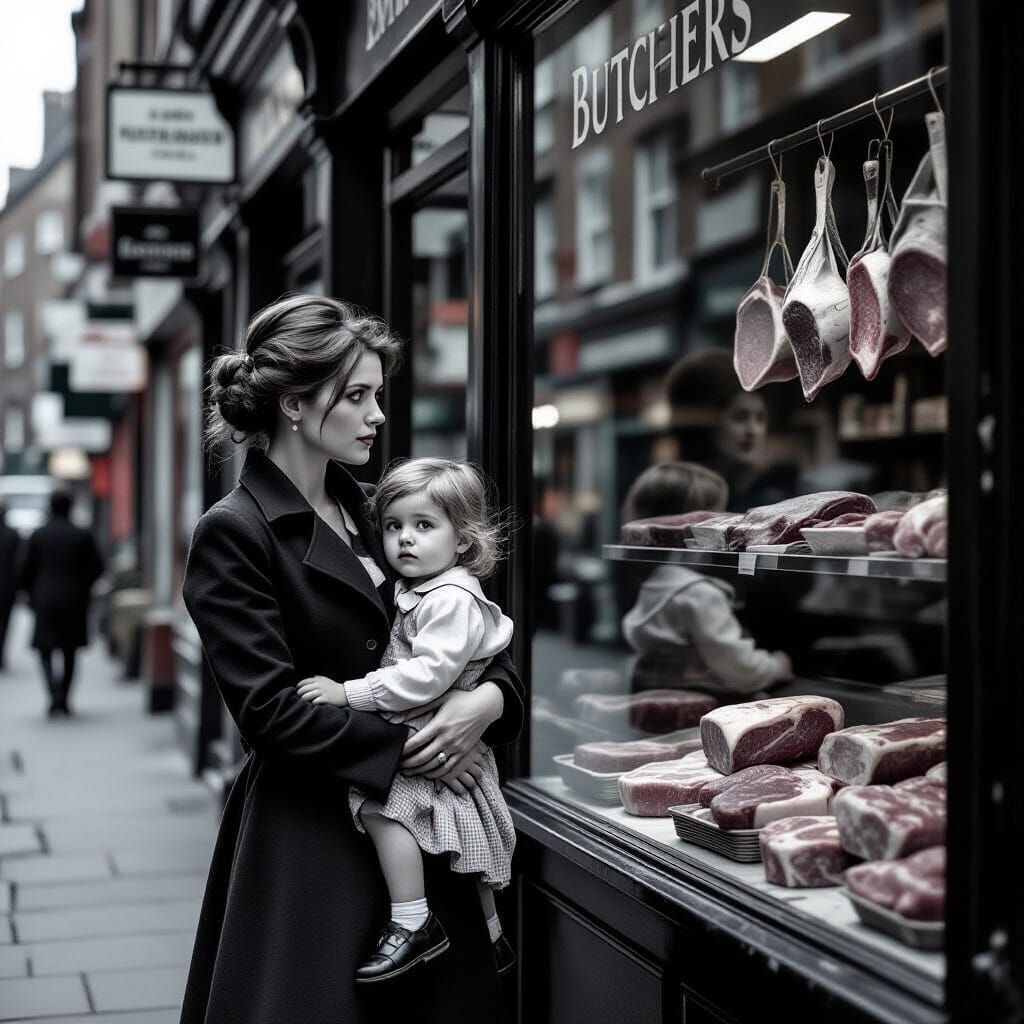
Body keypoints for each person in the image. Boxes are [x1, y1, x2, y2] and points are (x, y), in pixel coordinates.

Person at [181, 294, 524, 1024]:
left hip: (426, 827)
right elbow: (270, 715)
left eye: (377, 395)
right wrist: (419, 747)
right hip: (313, 833)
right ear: (297, 405)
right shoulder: (234, 532)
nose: (378, 416)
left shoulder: (381, 513)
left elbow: (467, 633)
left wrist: (488, 703)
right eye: (358, 396)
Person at [296, 457, 516, 984]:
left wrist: (348, 693)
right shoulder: (424, 589)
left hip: (428, 735)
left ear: (462, 538)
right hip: (426, 735)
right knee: (468, 836)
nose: (404, 540)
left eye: (424, 527)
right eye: (393, 527)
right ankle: (492, 936)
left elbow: (427, 676)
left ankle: (414, 921)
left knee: (378, 808)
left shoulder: (450, 598)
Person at [620, 462, 793, 694]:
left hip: (657, 700)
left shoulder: (657, 581)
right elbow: (743, 670)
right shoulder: (698, 593)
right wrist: (778, 666)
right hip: (698, 707)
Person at [664, 348, 795, 512]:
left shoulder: (768, 496)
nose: (753, 430)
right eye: (740, 417)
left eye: (760, 418)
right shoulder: (673, 494)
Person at [17, 491, 104, 714]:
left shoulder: (38, 535)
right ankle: (64, 697)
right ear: (70, 507)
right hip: (75, 600)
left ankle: (53, 693)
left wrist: (27, 591)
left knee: (45, 648)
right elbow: (98, 567)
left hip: (44, 598)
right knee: (70, 650)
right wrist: (84, 586)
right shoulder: (82, 535)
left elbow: (25, 569)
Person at [0, 501, 21, 671]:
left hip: (8, 586)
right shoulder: (12, 535)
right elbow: (19, 564)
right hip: (7, 587)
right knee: (5, 624)